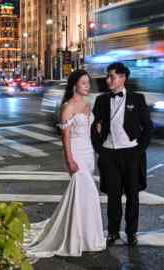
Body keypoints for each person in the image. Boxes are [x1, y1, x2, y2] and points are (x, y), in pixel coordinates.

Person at [25, 69, 106, 258]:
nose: (87, 86)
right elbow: (66, 137)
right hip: (76, 153)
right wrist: (69, 160)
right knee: (89, 194)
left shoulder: (87, 105)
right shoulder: (68, 107)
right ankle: (77, 237)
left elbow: (90, 129)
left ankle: (86, 236)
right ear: (75, 85)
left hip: (88, 153)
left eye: (88, 83)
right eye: (84, 83)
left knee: (84, 196)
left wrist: (98, 128)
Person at [91, 62, 153, 246]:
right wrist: (100, 149)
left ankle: (132, 232)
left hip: (131, 153)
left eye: (112, 76)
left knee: (133, 196)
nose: (108, 80)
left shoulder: (137, 99)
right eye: (108, 76)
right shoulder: (101, 100)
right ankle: (112, 232)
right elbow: (93, 127)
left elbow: (148, 127)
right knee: (113, 196)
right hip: (109, 153)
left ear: (123, 78)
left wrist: (139, 149)